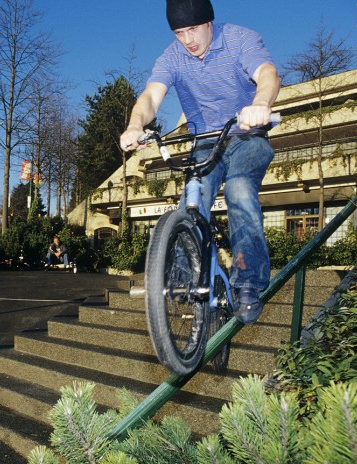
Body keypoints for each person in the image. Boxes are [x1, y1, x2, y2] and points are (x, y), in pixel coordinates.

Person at [120, 0, 281, 325]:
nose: (188, 39)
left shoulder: (239, 39)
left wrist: (260, 103)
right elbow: (151, 96)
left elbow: (268, 74)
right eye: (180, 32)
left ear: (209, 22)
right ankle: (182, 274)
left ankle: (248, 283)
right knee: (191, 201)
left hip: (248, 136)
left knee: (238, 189)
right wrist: (136, 124)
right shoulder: (172, 57)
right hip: (206, 143)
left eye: (193, 29)